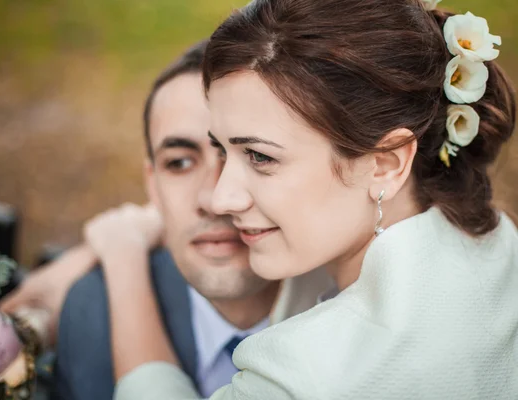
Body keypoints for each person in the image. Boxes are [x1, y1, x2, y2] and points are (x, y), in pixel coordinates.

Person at [102, 0, 518, 399]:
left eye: (260, 156)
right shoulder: (499, 244)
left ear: (386, 165)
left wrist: (122, 260)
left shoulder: (301, 376)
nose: (221, 198)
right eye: (223, 149)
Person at [0, 40, 331, 400]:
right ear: (152, 188)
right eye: (179, 163)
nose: (215, 200)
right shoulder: (90, 314)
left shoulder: (354, 318)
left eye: (254, 155)